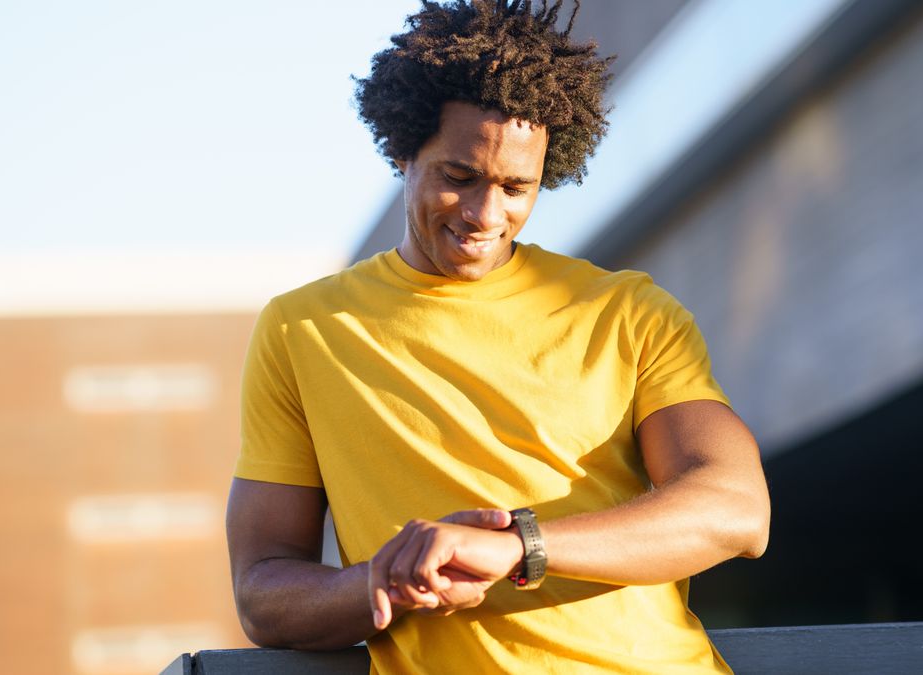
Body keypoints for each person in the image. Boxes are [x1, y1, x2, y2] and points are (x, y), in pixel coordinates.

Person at [225, 1, 770, 672]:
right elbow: (262, 593)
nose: (487, 214)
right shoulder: (302, 329)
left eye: (518, 187)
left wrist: (519, 544)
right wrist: (379, 582)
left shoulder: (626, 310)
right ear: (402, 150)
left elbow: (737, 507)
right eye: (459, 178)